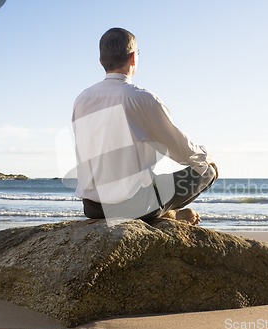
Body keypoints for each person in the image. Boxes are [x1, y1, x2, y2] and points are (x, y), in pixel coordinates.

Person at [72, 27, 218, 225]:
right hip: (135, 205)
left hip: (93, 207)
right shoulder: (142, 98)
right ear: (133, 57)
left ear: (101, 61)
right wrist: (206, 157)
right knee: (207, 171)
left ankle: (164, 212)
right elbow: (179, 147)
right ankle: (165, 213)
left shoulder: (81, 99)